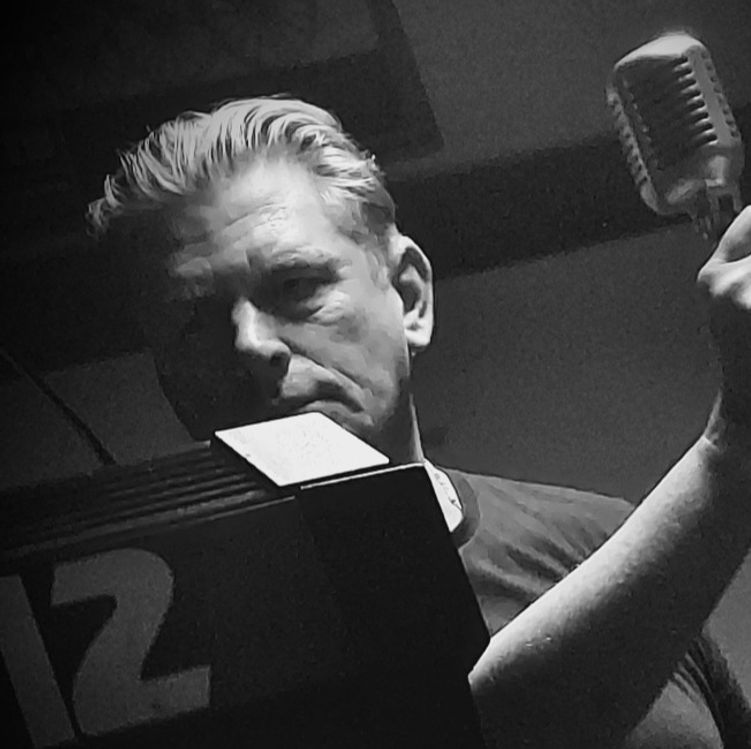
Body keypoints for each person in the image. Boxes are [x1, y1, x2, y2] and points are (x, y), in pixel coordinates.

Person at [88, 95, 751, 748]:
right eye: (194, 323)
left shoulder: (604, 540)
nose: (252, 345)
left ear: (408, 296)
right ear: (167, 378)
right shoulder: (152, 661)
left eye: (295, 286)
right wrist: (732, 456)